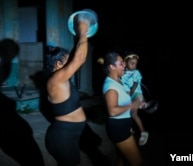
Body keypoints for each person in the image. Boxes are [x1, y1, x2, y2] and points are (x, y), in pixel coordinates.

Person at [44, 17, 89, 166]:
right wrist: (83, 31)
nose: (70, 63)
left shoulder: (61, 78)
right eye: (66, 60)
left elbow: (77, 58)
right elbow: (80, 59)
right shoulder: (55, 80)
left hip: (71, 135)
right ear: (57, 63)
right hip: (62, 137)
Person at [0, 38, 45, 166]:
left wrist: (7, 58)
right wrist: (7, 57)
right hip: (14, 140)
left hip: (18, 138)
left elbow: (2, 74)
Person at [98, 51, 147, 166]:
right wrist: (131, 105)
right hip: (118, 129)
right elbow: (112, 111)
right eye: (121, 63)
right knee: (137, 162)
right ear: (112, 67)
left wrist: (139, 103)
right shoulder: (110, 86)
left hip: (124, 125)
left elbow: (125, 99)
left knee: (122, 160)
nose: (124, 65)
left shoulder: (120, 81)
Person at [121, 51, 149, 146]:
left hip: (136, 93)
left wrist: (131, 93)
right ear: (125, 63)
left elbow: (136, 84)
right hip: (127, 95)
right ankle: (131, 131)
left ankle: (143, 132)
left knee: (134, 111)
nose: (134, 66)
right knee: (130, 115)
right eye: (132, 63)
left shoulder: (136, 72)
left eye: (135, 64)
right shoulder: (122, 73)